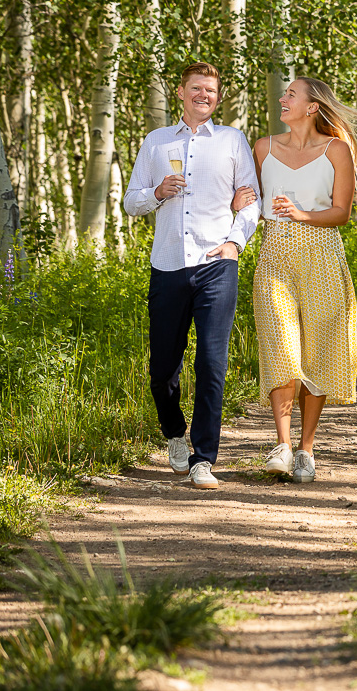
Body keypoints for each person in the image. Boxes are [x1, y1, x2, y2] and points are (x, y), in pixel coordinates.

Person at [124, 62, 260, 490]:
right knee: (163, 369)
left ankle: (204, 458)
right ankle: (174, 435)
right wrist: (156, 193)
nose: (205, 95)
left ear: (218, 98)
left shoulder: (232, 140)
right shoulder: (156, 141)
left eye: (212, 91)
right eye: (197, 88)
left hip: (217, 262)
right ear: (181, 92)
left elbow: (251, 201)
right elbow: (131, 202)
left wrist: (235, 243)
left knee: (212, 363)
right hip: (167, 265)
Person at [233, 77, 357, 483]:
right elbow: (246, 195)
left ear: (311, 107)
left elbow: (342, 212)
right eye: (283, 92)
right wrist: (239, 200)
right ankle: (282, 446)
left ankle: (306, 450)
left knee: (317, 351)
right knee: (282, 349)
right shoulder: (263, 147)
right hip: (274, 256)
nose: (282, 98)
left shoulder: (337, 149)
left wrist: (302, 213)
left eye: (291, 94)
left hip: (323, 256)